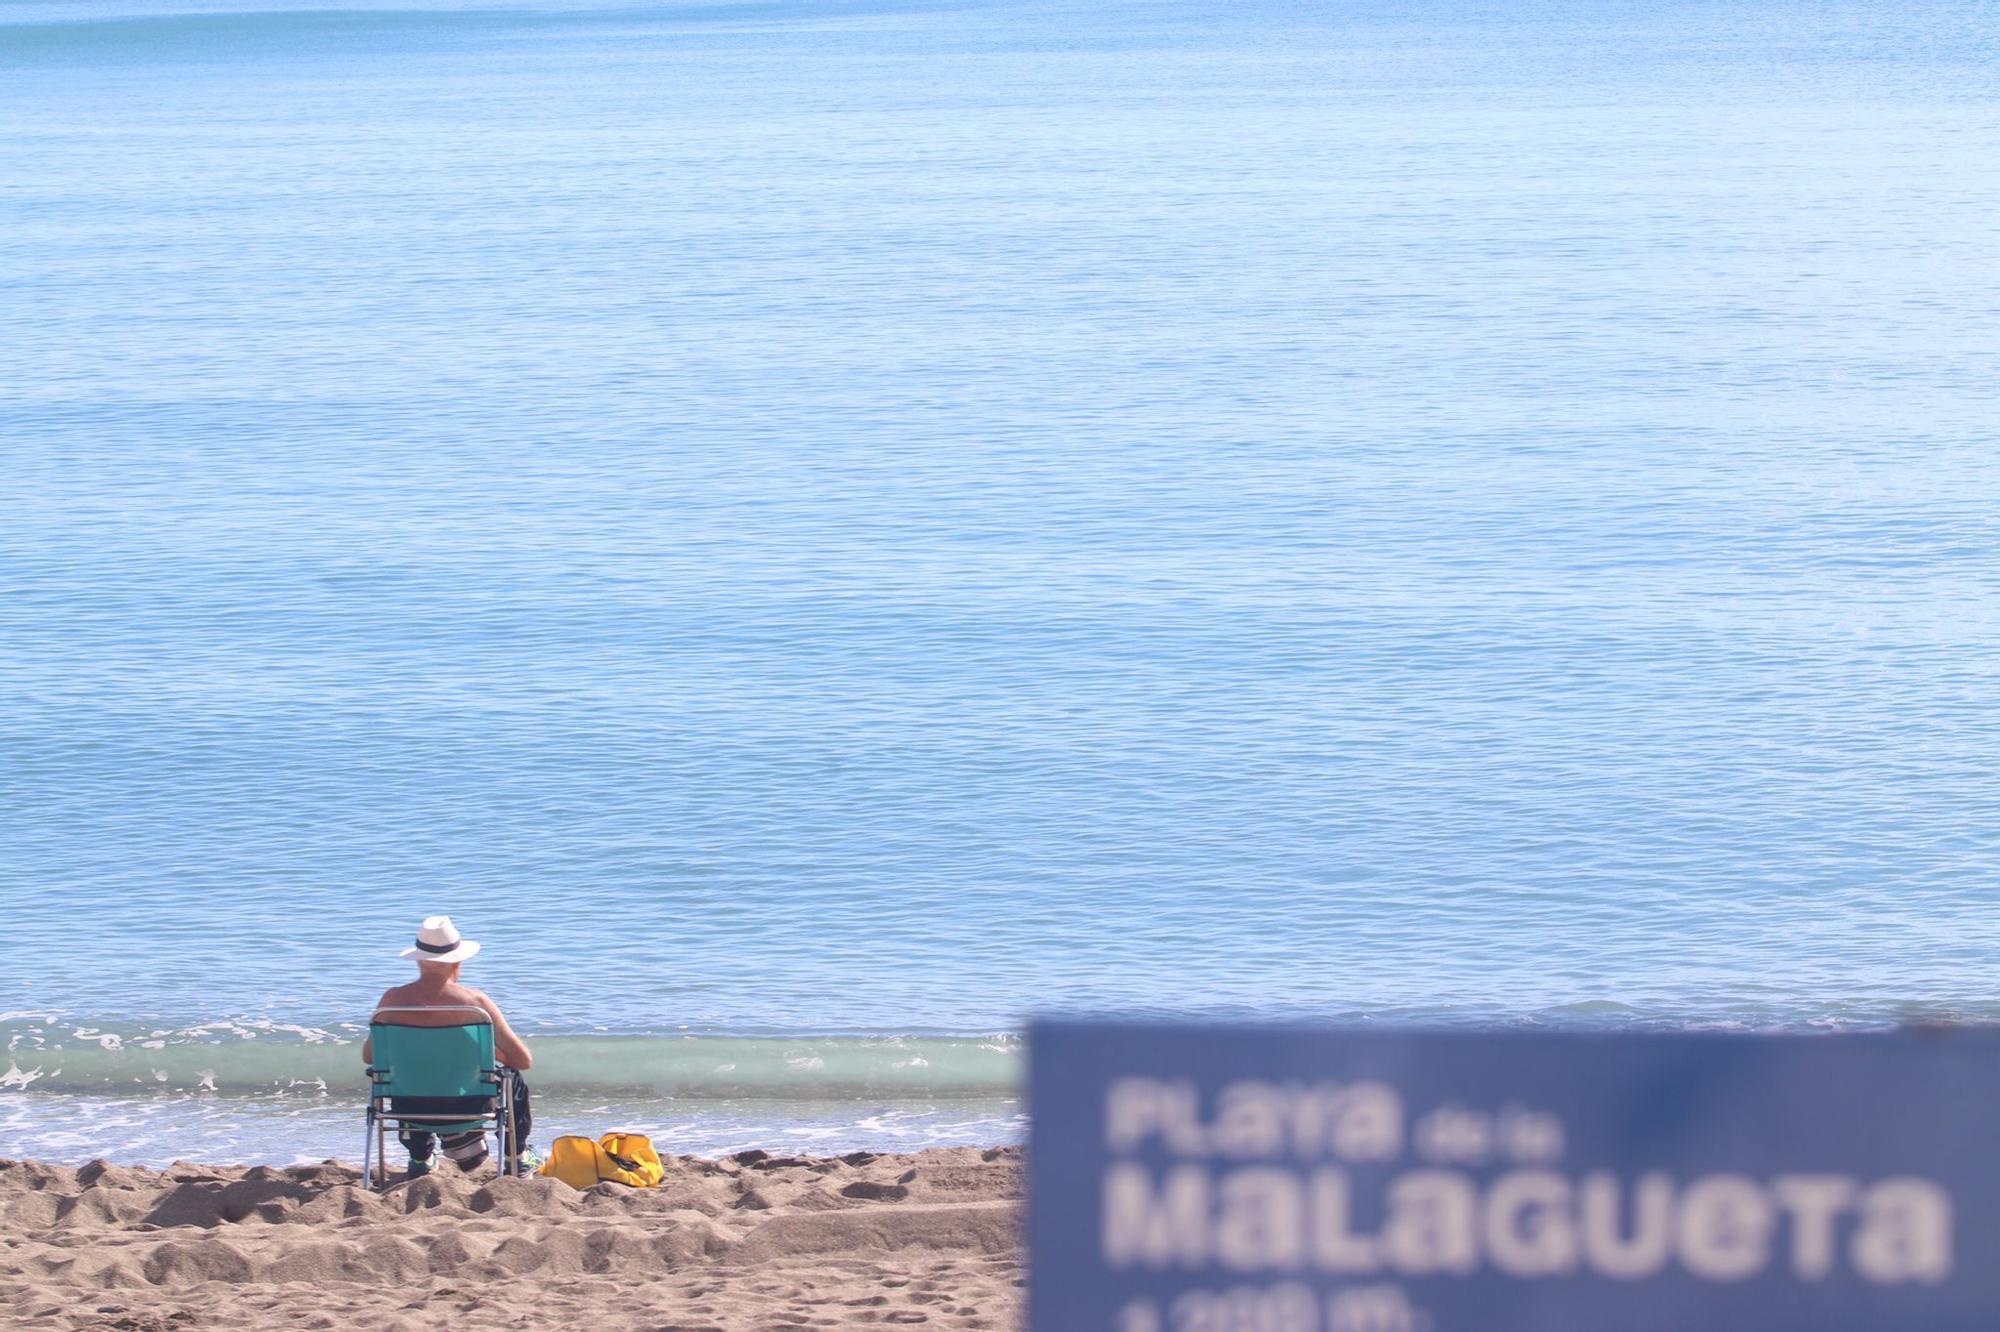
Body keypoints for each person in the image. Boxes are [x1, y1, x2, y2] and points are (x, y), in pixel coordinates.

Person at [362, 915, 534, 1179]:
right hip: (470, 1107)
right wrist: (489, 1053)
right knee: (515, 1079)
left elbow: (370, 1056)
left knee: (404, 1073)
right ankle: (516, 1158)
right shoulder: (474, 1003)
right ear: (457, 961)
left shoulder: (392, 1001)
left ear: (419, 960)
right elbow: (523, 1060)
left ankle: (420, 1159)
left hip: (410, 1106)